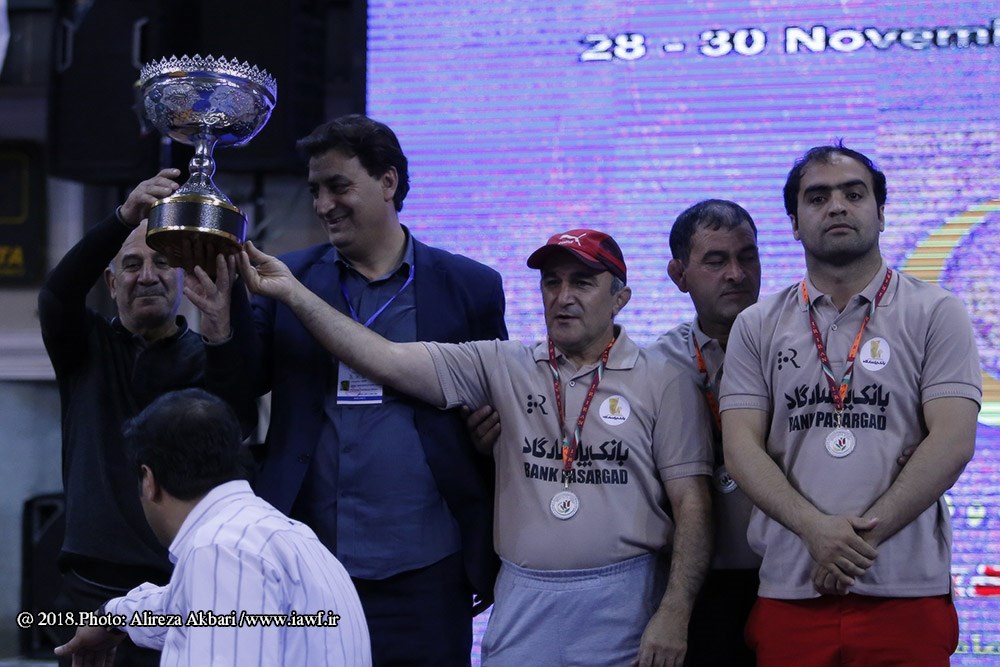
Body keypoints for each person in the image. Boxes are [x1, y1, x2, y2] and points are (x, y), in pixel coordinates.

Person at [238, 227, 714, 666]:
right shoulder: (502, 364)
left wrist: (675, 611)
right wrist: (293, 293)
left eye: (583, 283)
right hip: (523, 600)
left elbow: (692, 504)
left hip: (624, 600)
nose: (563, 297)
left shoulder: (663, 379)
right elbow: (383, 357)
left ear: (620, 299)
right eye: (551, 283)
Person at [244, 114, 507, 665]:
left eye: (338, 186)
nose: (323, 205)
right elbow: (237, 385)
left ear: (388, 182)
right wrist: (222, 321)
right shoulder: (287, 280)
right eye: (315, 190)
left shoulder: (470, 286)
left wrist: (490, 436)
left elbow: (493, 410)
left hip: (429, 568)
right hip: (308, 560)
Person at [720, 143, 981, 665]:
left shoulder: (936, 311)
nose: (837, 206)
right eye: (818, 197)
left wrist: (849, 544)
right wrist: (814, 530)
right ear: (795, 224)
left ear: (881, 213)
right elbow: (741, 449)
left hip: (905, 590)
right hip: (792, 586)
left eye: (853, 194)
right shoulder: (757, 325)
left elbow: (953, 441)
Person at [38, 168, 258, 666]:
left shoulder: (208, 355)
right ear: (111, 282)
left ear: (183, 277)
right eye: (132, 264)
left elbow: (239, 418)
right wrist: (122, 219)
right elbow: (56, 295)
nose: (147, 275)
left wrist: (223, 329)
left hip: (179, 597)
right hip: (86, 593)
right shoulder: (84, 349)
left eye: (162, 262)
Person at [54, 388, 372, 667]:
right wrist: (111, 616)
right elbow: (179, 609)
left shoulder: (220, 549)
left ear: (148, 480)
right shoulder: (291, 537)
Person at [650, 199, 762, 666]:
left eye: (747, 256)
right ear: (679, 275)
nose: (736, 274)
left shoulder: (797, 347)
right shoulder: (656, 364)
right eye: (716, 261)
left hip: (789, 579)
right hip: (696, 587)